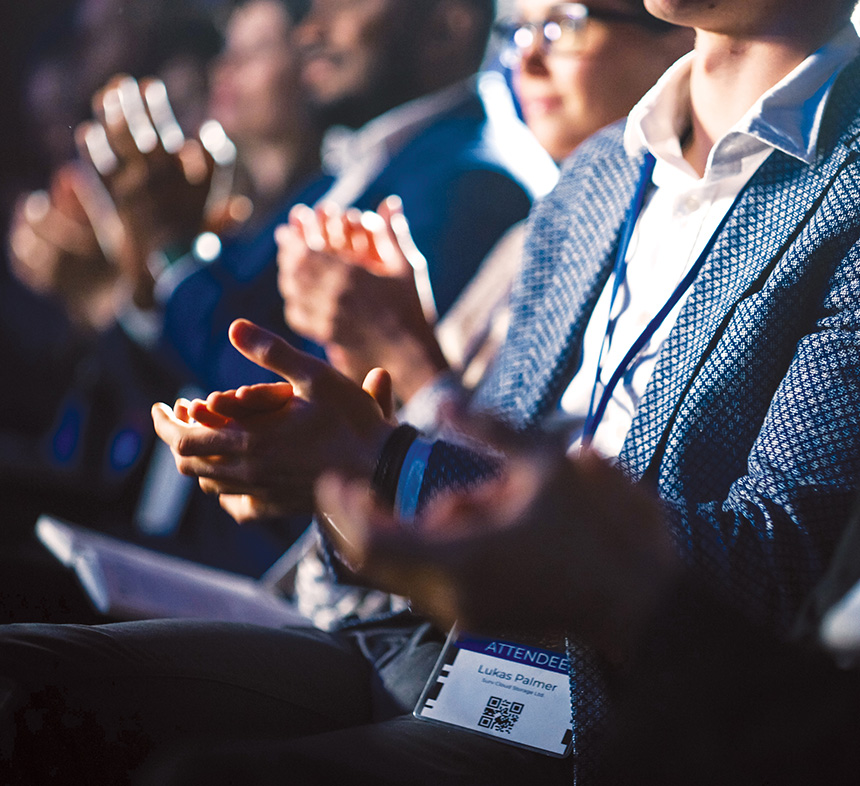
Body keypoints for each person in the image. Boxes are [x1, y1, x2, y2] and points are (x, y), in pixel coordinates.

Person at [4, 0, 860, 783]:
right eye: (521, 29)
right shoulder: (602, 170)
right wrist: (346, 479)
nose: (530, 58)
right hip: (439, 650)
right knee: (25, 677)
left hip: (614, 720)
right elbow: (473, 463)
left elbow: (772, 569)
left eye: (563, 24)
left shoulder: (842, 185)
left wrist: (391, 461)